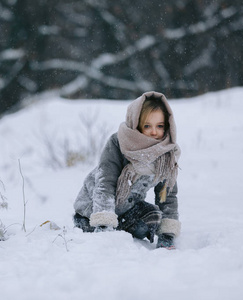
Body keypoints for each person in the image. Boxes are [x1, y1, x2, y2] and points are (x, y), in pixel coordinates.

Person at [73, 91, 181, 249]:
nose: (154, 132)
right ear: (136, 124)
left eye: (160, 126)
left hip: (127, 209)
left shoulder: (165, 155)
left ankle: (122, 229)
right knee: (97, 227)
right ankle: (98, 228)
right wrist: (104, 222)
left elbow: (167, 194)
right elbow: (105, 182)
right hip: (93, 209)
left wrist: (167, 234)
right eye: (147, 126)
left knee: (153, 217)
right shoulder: (119, 143)